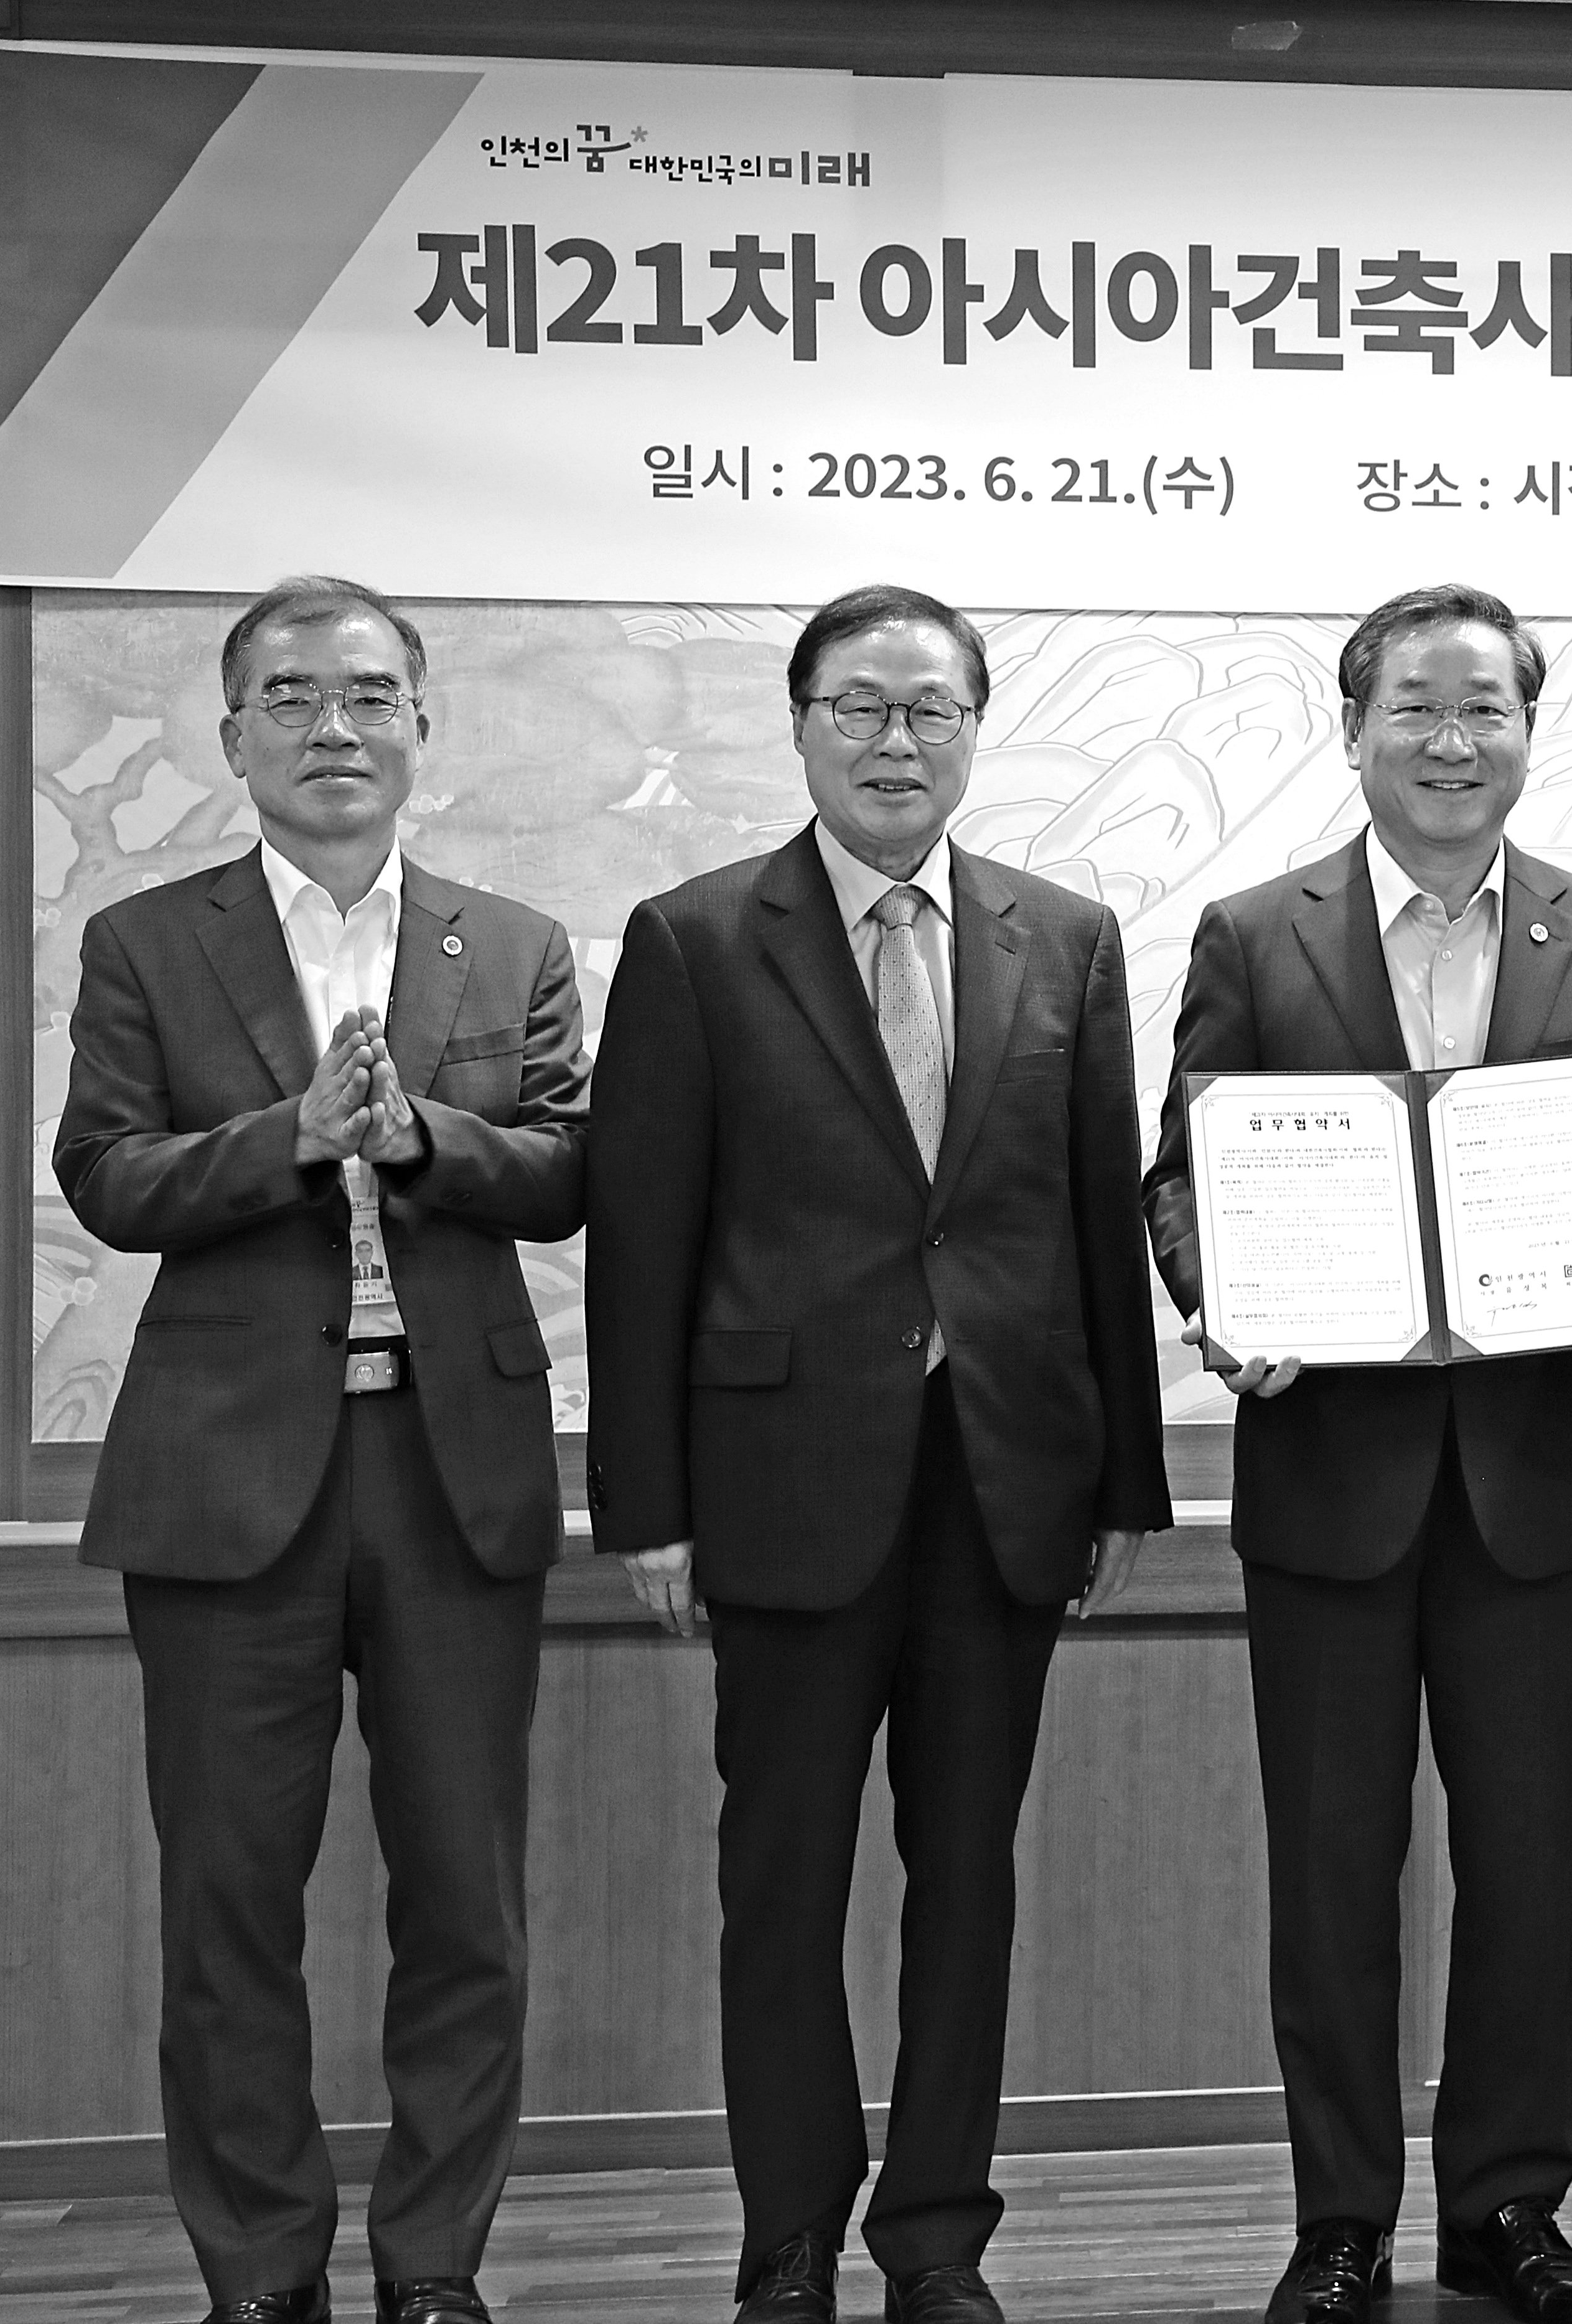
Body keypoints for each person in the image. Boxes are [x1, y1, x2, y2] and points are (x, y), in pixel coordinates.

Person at [585, 584, 1169, 2324]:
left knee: (967, 1881)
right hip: (777, 1488)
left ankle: (937, 2237)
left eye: (930, 709)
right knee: (779, 1878)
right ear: (801, 727)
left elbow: (1095, 1221)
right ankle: (787, 2231)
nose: (894, 739)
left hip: (1003, 1485)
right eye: (859, 706)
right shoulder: (695, 939)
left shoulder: (1065, 939)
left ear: (975, 731)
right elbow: (641, 1244)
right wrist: (647, 1505)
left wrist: (1125, 1480)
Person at [1142, 581, 1572, 2324]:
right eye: (1418, 708)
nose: (1452, 741)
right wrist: (1221, 1300)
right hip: (1329, 1478)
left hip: (1536, 1481)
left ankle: (1508, 2210)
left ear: (1529, 733)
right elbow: (1184, 1177)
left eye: (1486, 710)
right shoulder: (1254, 934)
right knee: (1330, 1876)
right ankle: (1340, 2217)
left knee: (1523, 1870)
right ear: (1354, 729)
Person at [56, 576, 589, 2324]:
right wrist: (290, 1137)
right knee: (229, 1906)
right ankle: (260, 2272)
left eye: (367, 694)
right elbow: (106, 1176)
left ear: (423, 726)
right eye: (289, 697)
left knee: (467, 1904)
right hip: (227, 1483)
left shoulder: (512, 941)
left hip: (452, 1477)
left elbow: (572, 1168)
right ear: (234, 737)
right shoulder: (147, 940)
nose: (332, 726)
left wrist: (420, 1136)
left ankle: (434, 2265)